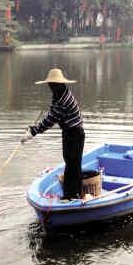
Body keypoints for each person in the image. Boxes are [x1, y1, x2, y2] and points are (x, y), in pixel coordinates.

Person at [21, 69, 85, 200]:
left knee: (73, 166)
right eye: (50, 84)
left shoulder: (63, 100)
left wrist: (33, 132)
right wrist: (34, 128)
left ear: (59, 84)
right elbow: (52, 113)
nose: (50, 86)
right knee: (70, 163)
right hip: (68, 132)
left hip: (75, 134)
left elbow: (51, 119)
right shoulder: (59, 94)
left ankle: (72, 196)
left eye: (53, 84)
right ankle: (72, 194)